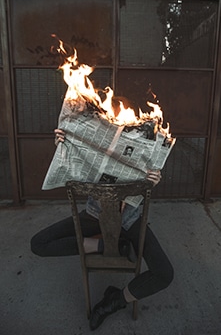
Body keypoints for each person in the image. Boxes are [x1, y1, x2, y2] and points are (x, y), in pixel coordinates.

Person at [31, 129, 174, 331]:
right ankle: (105, 244)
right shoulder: (95, 143)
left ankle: (115, 300)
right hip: (94, 216)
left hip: (129, 221)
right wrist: (63, 147)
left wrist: (153, 180)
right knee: (38, 244)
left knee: (164, 273)